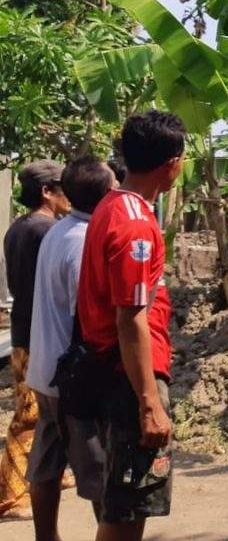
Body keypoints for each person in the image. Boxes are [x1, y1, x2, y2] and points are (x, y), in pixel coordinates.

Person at [77, 110, 185, 539]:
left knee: (124, 508)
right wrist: (149, 403)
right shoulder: (136, 226)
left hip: (114, 372)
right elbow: (131, 317)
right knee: (127, 512)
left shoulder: (111, 206)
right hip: (129, 379)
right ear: (171, 162)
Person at [25, 157, 114, 541]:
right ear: (105, 195)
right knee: (99, 471)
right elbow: (88, 313)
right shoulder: (83, 240)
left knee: (46, 463)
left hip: (45, 369)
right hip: (72, 377)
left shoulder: (58, 231)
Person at [0, 160, 69, 520]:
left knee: (43, 413)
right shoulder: (46, 231)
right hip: (37, 336)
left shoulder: (19, 227)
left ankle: (50, 475)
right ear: (46, 192)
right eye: (63, 188)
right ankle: (10, 496)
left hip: (24, 332)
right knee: (29, 416)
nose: (69, 196)